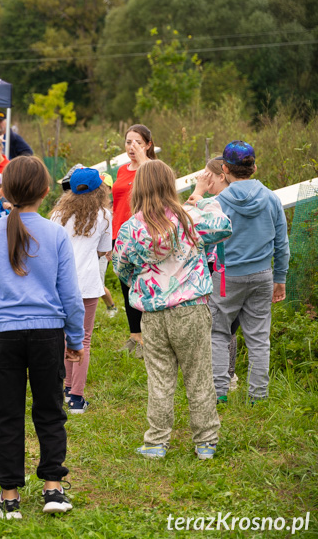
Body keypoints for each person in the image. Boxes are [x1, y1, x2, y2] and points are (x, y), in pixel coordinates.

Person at [0, 155, 84, 517]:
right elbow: (71, 295)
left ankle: (9, 496)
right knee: (50, 410)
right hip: (49, 335)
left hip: (4, 335)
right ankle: (53, 489)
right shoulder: (56, 234)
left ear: (5, 192)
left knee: (5, 414)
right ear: (47, 192)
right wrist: (75, 339)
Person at [113, 160, 231, 459]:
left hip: (152, 313)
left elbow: (121, 268)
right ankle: (205, 441)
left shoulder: (131, 227)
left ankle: (156, 442)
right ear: (171, 185)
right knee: (199, 375)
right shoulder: (191, 218)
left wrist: (143, 283)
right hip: (191, 309)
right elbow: (223, 226)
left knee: (160, 378)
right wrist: (203, 199)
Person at [206, 141, 289, 404]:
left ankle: (219, 393)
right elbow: (282, 242)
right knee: (259, 337)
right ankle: (258, 396)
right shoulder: (272, 198)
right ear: (254, 166)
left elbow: (205, 242)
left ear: (224, 169)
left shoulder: (217, 203)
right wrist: (280, 278)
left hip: (225, 277)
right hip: (263, 274)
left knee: (218, 332)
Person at [50, 168, 112, 414]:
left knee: (64, 337)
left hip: (60, 283)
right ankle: (76, 397)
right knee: (83, 339)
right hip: (87, 283)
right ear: (100, 188)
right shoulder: (105, 215)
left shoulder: (57, 215)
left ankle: (66, 387)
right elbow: (102, 251)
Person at [187, 156, 239, 390]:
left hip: (217, 268)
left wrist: (199, 193)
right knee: (230, 324)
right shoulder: (238, 197)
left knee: (216, 324)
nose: (205, 181)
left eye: (208, 176)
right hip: (237, 266)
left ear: (221, 176)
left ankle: (220, 376)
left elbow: (187, 215)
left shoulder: (215, 201)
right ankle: (230, 373)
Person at [111, 124, 157, 357]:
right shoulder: (121, 170)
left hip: (143, 235)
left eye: (137, 142)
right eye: (129, 142)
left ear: (148, 144)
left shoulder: (152, 169)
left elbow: (159, 189)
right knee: (126, 286)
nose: (132, 147)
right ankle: (134, 336)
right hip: (119, 234)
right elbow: (115, 203)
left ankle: (149, 338)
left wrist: (143, 160)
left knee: (143, 285)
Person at [97, 172, 118, 318]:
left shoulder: (111, 208)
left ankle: (112, 307)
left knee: (98, 283)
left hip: (103, 251)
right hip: (91, 250)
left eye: (104, 187)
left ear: (110, 189)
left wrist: (109, 249)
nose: (101, 189)